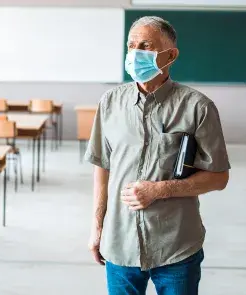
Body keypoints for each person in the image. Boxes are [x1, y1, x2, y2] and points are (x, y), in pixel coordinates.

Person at [84, 16, 230, 295]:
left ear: (170, 55)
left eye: (146, 46)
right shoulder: (110, 103)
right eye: (131, 45)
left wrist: (161, 189)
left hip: (176, 247)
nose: (135, 53)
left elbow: (219, 177)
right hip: (120, 242)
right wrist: (97, 226)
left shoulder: (197, 107)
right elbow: (102, 167)